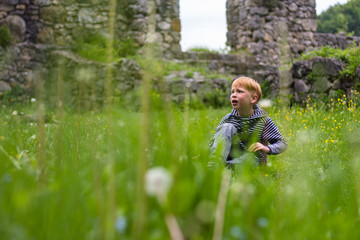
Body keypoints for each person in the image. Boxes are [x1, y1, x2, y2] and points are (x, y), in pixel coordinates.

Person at [210, 76, 287, 166]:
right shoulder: (228, 118)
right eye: (232, 91)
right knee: (227, 127)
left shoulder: (263, 120)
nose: (234, 95)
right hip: (231, 156)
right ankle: (214, 165)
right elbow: (216, 141)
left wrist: (267, 148)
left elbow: (282, 143)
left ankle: (226, 166)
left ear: (253, 99)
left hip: (252, 159)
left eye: (239, 91)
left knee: (250, 159)